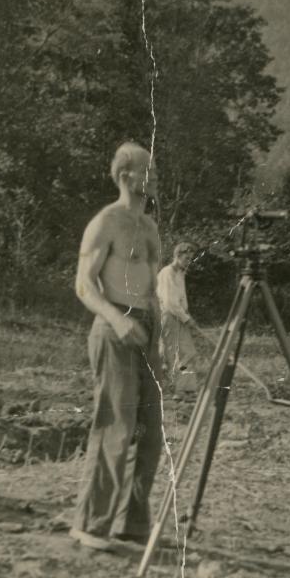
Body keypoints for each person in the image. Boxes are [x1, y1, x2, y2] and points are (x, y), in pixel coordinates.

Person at [70, 142, 163, 552]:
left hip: (147, 328)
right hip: (114, 329)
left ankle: (131, 526)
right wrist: (117, 319)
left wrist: (165, 336)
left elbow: (154, 289)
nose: (155, 177)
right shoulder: (105, 221)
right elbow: (84, 285)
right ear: (127, 176)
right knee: (115, 427)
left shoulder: (150, 227)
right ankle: (91, 525)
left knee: (150, 432)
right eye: (149, 170)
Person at [157, 242, 197, 387]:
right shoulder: (168, 272)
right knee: (171, 354)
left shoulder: (181, 273)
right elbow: (169, 302)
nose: (189, 262)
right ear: (177, 256)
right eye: (186, 258)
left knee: (189, 352)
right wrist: (186, 319)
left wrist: (186, 315)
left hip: (179, 315)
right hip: (168, 316)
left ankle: (186, 388)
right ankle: (177, 389)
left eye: (191, 259)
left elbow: (180, 300)